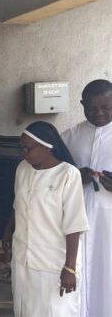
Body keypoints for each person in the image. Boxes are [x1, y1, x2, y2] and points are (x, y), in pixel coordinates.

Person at [1, 121, 88, 317]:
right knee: (24, 310)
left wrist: (70, 268)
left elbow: (74, 224)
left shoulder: (68, 174)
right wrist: (8, 233)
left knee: (54, 311)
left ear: (47, 146)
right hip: (23, 258)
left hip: (53, 263)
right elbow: (17, 205)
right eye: (21, 148)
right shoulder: (22, 169)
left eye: (28, 148)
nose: (23, 153)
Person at [60, 79, 112, 317]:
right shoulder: (68, 138)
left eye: (106, 107)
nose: (98, 113)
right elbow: (55, 177)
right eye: (92, 108)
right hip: (76, 224)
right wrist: (75, 176)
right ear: (82, 105)